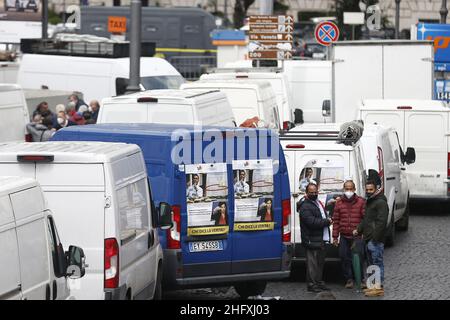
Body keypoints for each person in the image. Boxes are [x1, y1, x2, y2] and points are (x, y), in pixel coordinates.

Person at [353, 179, 389, 297]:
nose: (368, 192)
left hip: (375, 240)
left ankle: (378, 287)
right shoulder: (371, 201)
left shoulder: (380, 202)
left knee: (376, 263)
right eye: (367, 189)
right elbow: (366, 219)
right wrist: (358, 229)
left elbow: (382, 222)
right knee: (371, 264)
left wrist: (374, 238)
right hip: (369, 239)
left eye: (370, 190)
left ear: (376, 189)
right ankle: (373, 285)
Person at [297, 183, 332, 293]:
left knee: (320, 263)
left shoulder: (316, 202)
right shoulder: (305, 206)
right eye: (311, 192)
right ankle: (312, 285)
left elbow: (321, 215)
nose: (314, 194)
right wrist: (327, 221)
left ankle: (318, 282)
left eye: (315, 192)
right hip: (311, 239)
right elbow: (311, 222)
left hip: (320, 238)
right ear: (306, 193)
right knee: (312, 264)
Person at [332, 180, 366, 289]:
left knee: (359, 258)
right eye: (347, 189)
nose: (349, 191)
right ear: (343, 189)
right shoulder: (339, 203)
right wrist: (335, 237)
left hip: (357, 236)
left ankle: (360, 279)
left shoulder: (361, 202)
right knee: (344, 257)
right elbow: (336, 220)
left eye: (351, 188)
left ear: (354, 189)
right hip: (344, 236)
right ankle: (349, 279)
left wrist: (362, 231)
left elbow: (365, 219)